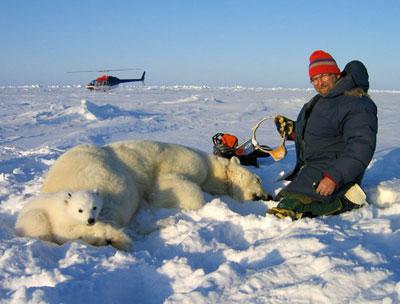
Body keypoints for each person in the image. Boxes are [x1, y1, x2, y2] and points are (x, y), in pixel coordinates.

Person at [269, 50, 378, 220]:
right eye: (314, 79)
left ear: (335, 73)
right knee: (284, 198)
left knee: (291, 209)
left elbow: (361, 146)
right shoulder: (322, 100)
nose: (319, 83)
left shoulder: (356, 102)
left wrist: (334, 177)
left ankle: (348, 200)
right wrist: (293, 131)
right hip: (315, 168)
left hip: (335, 172)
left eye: (324, 76)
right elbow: (323, 132)